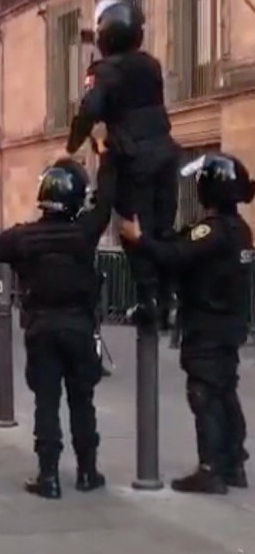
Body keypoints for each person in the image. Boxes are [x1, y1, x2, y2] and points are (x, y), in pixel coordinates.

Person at [0, 154, 116, 499]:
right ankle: (87, 471)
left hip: (42, 329)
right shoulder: (85, 232)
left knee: (46, 403)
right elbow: (106, 201)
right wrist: (107, 156)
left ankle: (48, 477)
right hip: (79, 328)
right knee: (83, 402)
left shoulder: (24, 238)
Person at [119, 152, 253, 494]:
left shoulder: (213, 230)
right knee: (224, 389)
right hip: (229, 324)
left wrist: (140, 239)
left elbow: (176, 256)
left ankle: (211, 468)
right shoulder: (240, 230)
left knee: (205, 393)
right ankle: (233, 462)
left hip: (207, 325)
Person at [66, 0, 179, 328]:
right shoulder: (151, 65)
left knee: (132, 229)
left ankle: (149, 300)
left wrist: (72, 143)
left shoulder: (104, 71)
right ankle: (169, 299)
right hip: (165, 153)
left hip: (133, 160)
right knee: (163, 227)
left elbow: (91, 110)